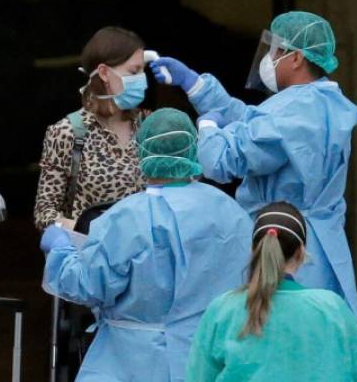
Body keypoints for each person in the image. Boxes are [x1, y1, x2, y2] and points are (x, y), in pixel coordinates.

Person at [150, 11, 357, 319]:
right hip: (314, 244)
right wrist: (195, 85)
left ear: (296, 58)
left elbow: (224, 161)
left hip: (284, 245)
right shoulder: (320, 102)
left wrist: (208, 129)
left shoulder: (295, 111)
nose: (269, 58)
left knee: (271, 335)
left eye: (276, 49)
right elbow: (254, 124)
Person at [40, 108, 253, 382]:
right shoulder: (229, 211)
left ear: (140, 151)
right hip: (210, 360)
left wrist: (61, 251)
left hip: (130, 363)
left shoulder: (125, 217)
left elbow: (89, 285)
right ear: (192, 147)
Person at [186, 202, 357, 382]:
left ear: (253, 250)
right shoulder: (333, 309)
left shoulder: (223, 310)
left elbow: (199, 376)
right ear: (301, 253)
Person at [34, 26, 148, 232]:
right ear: (104, 72)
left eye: (143, 71)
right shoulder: (68, 132)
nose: (143, 80)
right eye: (134, 71)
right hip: (95, 255)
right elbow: (44, 214)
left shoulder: (148, 124)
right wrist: (91, 230)